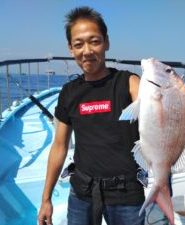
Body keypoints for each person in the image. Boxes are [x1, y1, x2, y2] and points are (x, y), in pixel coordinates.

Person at [38, 6, 145, 225]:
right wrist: (46, 198)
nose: (87, 51)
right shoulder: (69, 93)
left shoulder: (129, 82)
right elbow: (59, 146)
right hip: (82, 192)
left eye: (94, 41)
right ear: (71, 49)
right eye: (78, 44)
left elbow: (154, 106)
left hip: (127, 195)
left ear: (106, 42)